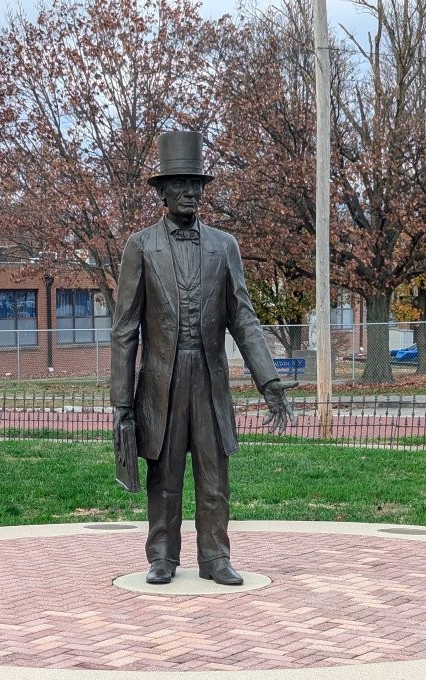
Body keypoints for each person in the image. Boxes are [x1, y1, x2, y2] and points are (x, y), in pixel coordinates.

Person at [111, 130, 293, 587]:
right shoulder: (140, 246)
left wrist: (268, 382)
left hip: (210, 380)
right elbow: (124, 330)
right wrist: (122, 403)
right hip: (159, 382)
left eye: (197, 184)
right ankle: (162, 557)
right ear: (163, 192)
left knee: (215, 477)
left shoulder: (224, 246)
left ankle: (216, 557)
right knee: (164, 477)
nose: (191, 193)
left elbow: (245, 319)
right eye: (181, 184)